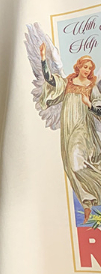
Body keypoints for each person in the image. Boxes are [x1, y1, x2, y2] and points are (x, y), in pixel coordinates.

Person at [40, 44, 101, 223]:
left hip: (84, 130)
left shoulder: (92, 87)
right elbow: (50, 79)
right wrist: (43, 59)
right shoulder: (67, 83)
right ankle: (87, 203)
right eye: (84, 66)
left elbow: (99, 110)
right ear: (78, 67)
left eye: (89, 68)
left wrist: (89, 104)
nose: (87, 70)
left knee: (76, 165)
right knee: (69, 165)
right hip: (68, 129)